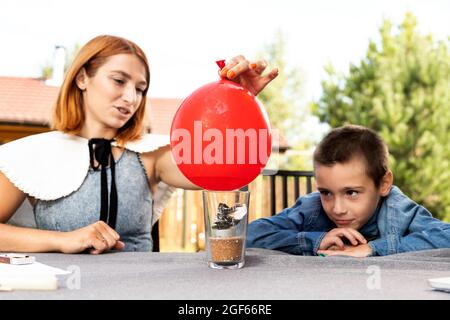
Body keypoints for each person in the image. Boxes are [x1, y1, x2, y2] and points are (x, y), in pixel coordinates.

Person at [0, 35, 278, 254]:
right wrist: (63, 241)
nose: (131, 98)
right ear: (82, 78)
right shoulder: (33, 153)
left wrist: (239, 100)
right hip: (62, 288)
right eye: (119, 81)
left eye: (140, 89)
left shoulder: (151, 155)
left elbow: (228, 165)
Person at [247, 125, 450, 257]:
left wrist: (372, 248)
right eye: (326, 192)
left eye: (351, 192)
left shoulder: (398, 209)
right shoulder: (312, 207)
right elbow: (250, 234)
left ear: (383, 183)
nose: (337, 208)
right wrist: (315, 240)